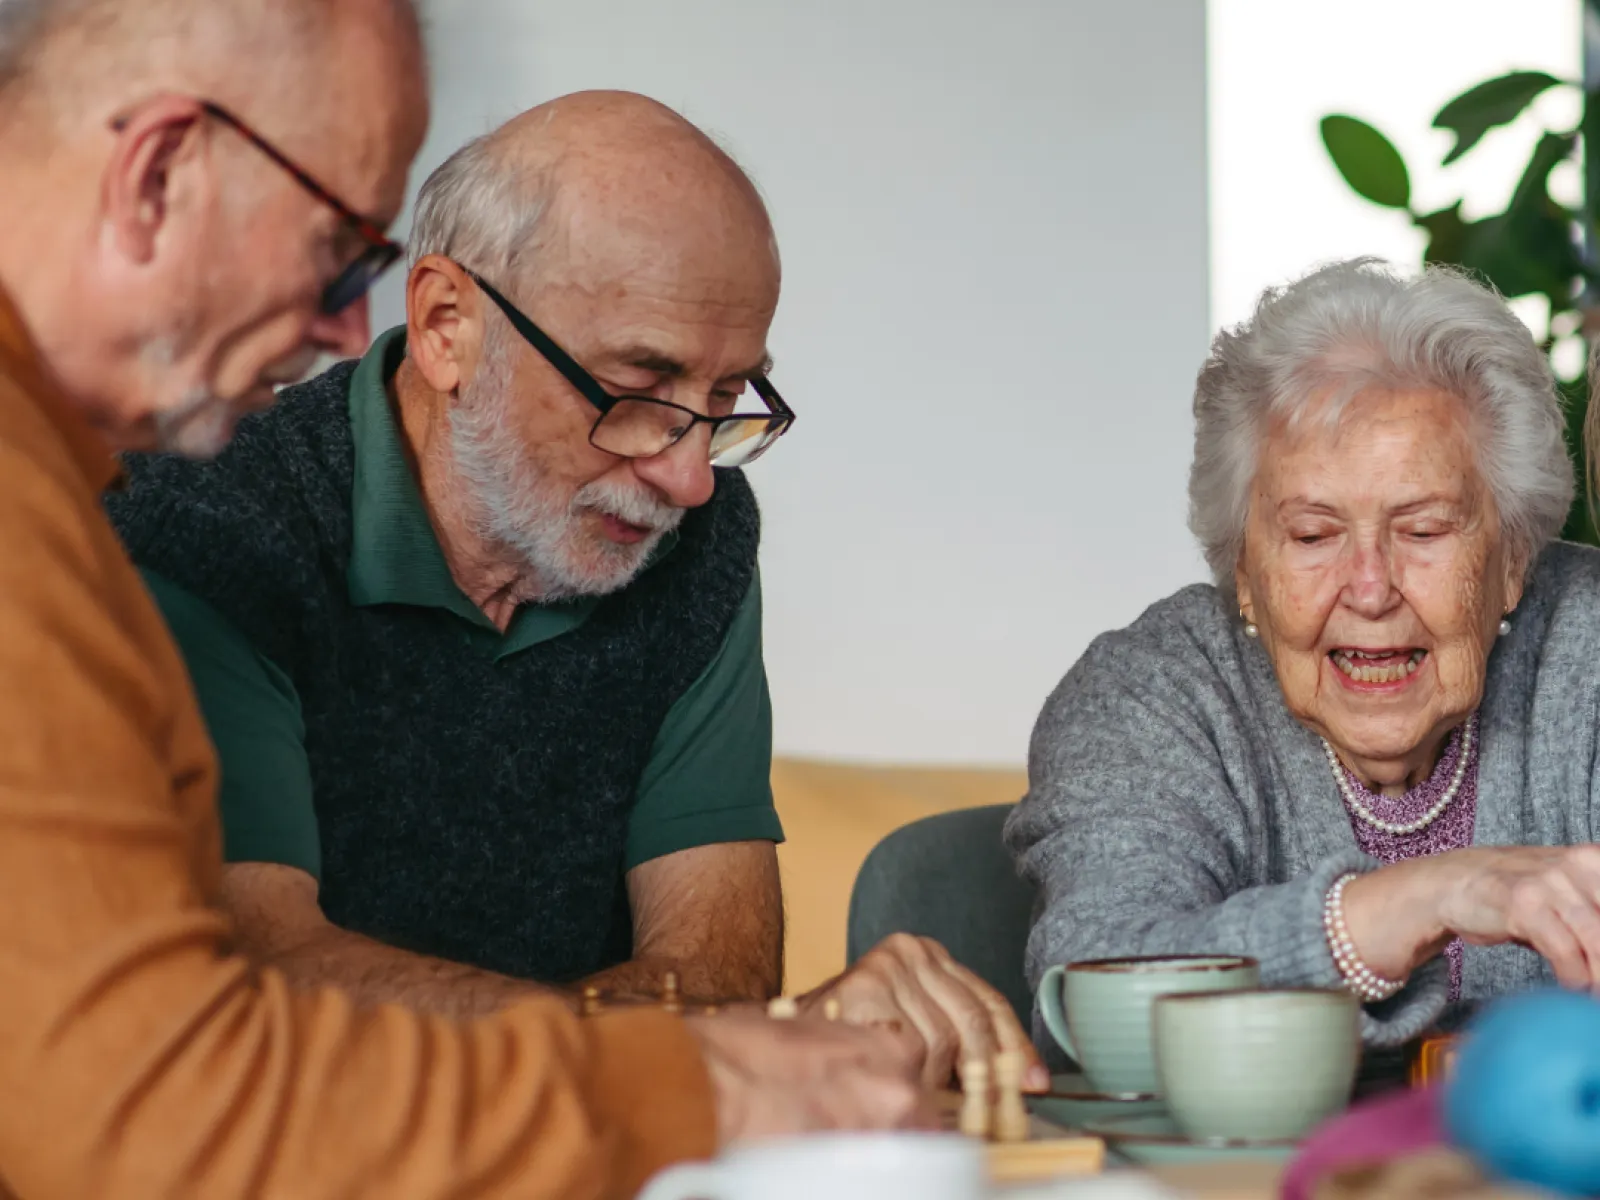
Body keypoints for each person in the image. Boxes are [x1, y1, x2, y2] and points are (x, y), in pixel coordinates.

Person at [0, 4, 934, 1197]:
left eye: (726, 404)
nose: (348, 324)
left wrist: (703, 1048)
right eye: (339, 249)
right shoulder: (121, 514)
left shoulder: (54, 483)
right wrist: (696, 1082)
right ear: (159, 172)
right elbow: (156, 1096)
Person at [103, 90, 1047, 1092]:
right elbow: (266, 974)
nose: (688, 478)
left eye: (726, 401)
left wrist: (684, 1045)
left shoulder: (699, 536)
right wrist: (684, 1050)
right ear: (445, 327)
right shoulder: (212, 521)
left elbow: (716, 972)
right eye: (638, 390)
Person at [1007, 258, 1600, 1056]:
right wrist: (1408, 905)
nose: (1369, 587)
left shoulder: (1585, 645)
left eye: (1423, 530)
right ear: (1243, 571)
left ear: (1514, 560)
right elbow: (1091, 998)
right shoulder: (1150, 696)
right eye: (1313, 535)